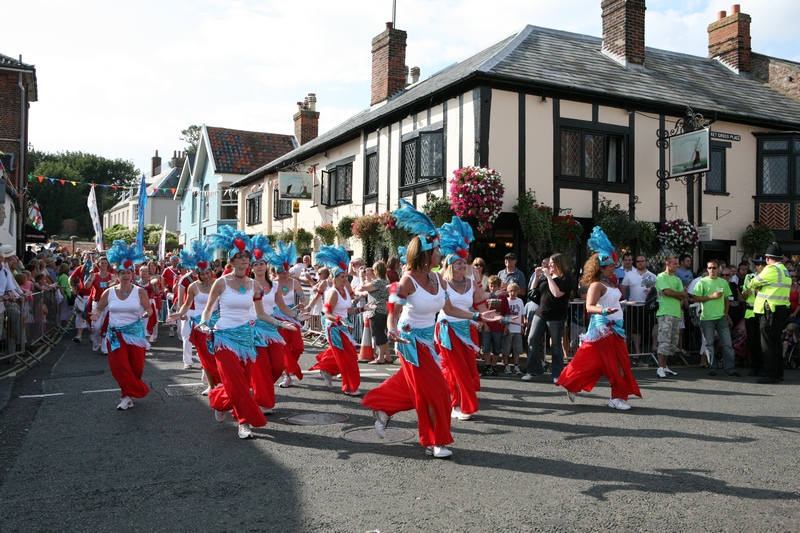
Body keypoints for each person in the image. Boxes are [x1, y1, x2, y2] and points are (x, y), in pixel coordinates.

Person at [361, 199, 500, 459]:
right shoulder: (407, 281)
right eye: (437, 250)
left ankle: (382, 407)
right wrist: (392, 330)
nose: (441, 254)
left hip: (429, 340)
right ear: (426, 254)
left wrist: (478, 315)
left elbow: (449, 308)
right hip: (409, 341)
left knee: (416, 388)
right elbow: (394, 310)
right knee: (436, 391)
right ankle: (435, 441)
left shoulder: (437, 277)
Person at [200, 227, 298, 439]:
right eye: (240, 256)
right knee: (235, 382)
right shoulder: (221, 282)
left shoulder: (254, 285)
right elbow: (208, 309)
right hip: (224, 337)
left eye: (247, 256)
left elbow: (261, 313)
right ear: (232, 260)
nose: (244, 259)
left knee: (242, 384)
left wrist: (282, 324)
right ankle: (244, 422)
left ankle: (221, 402)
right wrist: (204, 324)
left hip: (247, 339)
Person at [556, 227, 642, 410]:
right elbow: (589, 307)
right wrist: (603, 311)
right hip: (603, 329)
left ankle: (573, 384)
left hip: (616, 328)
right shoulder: (596, 285)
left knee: (597, 363)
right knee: (616, 365)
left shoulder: (609, 284)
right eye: (610, 266)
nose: (613, 268)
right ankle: (616, 398)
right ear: (601, 268)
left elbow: (612, 303)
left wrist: (624, 304)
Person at [435, 216, 494, 421]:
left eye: (464, 262)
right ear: (450, 265)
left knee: (468, 368)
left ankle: (450, 397)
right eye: (458, 263)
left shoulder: (470, 280)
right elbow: (449, 310)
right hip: (448, 329)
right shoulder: (443, 281)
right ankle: (458, 405)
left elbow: (479, 301)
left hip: (467, 328)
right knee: (456, 369)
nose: (462, 266)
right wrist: (477, 315)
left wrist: (488, 317)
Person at [90, 241, 152, 410]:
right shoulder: (109, 292)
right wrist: (95, 315)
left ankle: (131, 392)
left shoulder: (139, 291)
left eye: (129, 272)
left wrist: (146, 313)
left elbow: (149, 309)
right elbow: (99, 308)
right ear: (116, 274)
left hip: (135, 334)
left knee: (136, 367)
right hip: (115, 335)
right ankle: (126, 396)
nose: (126, 275)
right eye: (122, 272)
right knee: (120, 366)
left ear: (133, 274)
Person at [308, 246, 365, 396]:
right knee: (348, 358)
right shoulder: (333, 292)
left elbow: (350, 310)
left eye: (346, 276)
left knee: (349, 355)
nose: (345, 279)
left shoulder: (345, 290)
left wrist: (363, 309)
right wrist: (339, 320)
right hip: (334, 328)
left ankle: (327, 369)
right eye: (342, 277)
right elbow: (327, 313)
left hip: (343, 327)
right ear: (335, 278)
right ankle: (350, 387)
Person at [168, 239, 221, 393]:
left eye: (207, 272)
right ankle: (211, 385)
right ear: (198, 273)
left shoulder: (218, 283)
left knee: (218, 352)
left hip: (217, 321)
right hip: (199, 323)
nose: (205, 275)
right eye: (201, 273)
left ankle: (218, 379)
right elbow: (186, 303)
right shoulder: (193, 286)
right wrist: (180, 313)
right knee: (204, 353)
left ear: (211, 271)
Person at [264, 240, 308, 389]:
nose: (284, 274)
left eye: (286, 271)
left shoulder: (295, 283)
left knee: (297, 348)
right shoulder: (272, 284)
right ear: (276, 272)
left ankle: (290, 367)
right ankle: (288, 375)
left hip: (292, 315)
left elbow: (302, 297)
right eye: (281, 272)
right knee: (283, 348)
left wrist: (302, 304)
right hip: (277, 318)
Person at [523, 253, 573, 382]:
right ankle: (534, 370)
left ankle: (557, 373)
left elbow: (557, 293)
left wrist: (549, 278)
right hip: (541, 313)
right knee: (532, 339)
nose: (549, 265)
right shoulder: (546, 277)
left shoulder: (566, 278)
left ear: (558, 263)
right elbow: (533, 292)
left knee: (555, 345)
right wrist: (537, 276)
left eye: (552, 263)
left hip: (556, 315)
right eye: (549, 262)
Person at [750, 243, 791, 384]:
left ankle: (770, 374)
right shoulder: (784, 270)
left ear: (767, 258)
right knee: (775, 343)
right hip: (780, 310)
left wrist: (758, 284)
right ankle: (778, 373)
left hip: (770, 311)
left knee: (767, 344)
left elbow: (753, 282)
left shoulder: (771, 269)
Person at [692, 260, 739, 377]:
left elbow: (727, 300)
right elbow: (695, 298)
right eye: (709, 268)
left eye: (714, 268)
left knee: (727, 344)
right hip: (707, 317)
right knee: (709, 344)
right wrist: (711, 297)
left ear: (719, 269)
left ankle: (730, 368)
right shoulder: (702, 282)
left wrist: (725, 314)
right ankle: (712, 367)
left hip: (721, 317)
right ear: (707, 269)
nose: (712, 270)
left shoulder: (723, 282)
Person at [355, 261, 392, 364]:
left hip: (376, 310)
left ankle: (380, 358)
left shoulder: (377, 282)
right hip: (384, 309)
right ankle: (388, 356)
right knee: (383, 333)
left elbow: (362, 287)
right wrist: (370, 276)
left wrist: (361, 277)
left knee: (377, 334)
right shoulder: (386, 281)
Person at [654, 255, 685, 378]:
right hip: (665, 312)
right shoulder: (661, 276)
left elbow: (683, 295)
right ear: (668, 264)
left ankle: (665, 366)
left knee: (672, 342)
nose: (677, 266)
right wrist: (676, 294)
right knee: (664, 340)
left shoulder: (677, 279)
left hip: (676, 312)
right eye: (675, 264)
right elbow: (668, 292)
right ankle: (660, 367)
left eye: (677, 263)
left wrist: (674, 294)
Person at [621, 254, 657, 357]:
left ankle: (653, 347)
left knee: (652, 326)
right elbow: (623, 288)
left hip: (648, 306)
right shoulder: (629, 274)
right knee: (635, 329)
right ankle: (637, 351)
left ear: (646, 262)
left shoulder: (652, 276)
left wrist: (651, 292)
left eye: (642, 261)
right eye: (638, 261)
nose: (640, 263)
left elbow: (657, 291)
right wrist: (625, 300)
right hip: (634, 305)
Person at [742, 257, 766, 376]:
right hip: (750, 312)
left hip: (762, 312)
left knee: (762, 342)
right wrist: (745, 294)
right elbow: (744, 296)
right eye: (757, 264)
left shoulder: (767, 277)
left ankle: (763, 367)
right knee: (752, 341)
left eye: (762, 264)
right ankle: (755, 366)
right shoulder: (749, 277)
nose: (760, 267)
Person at [481, 275, 508, 376]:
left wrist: (505, 327)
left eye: (495, 286)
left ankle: (494, 366)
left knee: (497, 348)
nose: (493, 288)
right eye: (491, 286)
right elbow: (482, 311)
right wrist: (485, 325)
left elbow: (506, 313)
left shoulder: (503, 298)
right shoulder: (486, 297)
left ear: (499, 287)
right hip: (488, 326)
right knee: (486, 347)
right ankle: (487, 365)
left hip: (499, 327)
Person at [502, 282, 525, 375]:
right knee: (506, 347)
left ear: (518, 292)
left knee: (517, 348)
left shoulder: (520, 301)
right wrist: (505, 327)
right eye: (511, 291)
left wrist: (522, 326)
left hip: (517, 328)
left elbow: (522, 314)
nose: (512, 293)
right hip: (509, 328)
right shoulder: (506, 300)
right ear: (508, 291)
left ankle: (516, 365)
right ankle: (506, 365)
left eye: (515, 291)